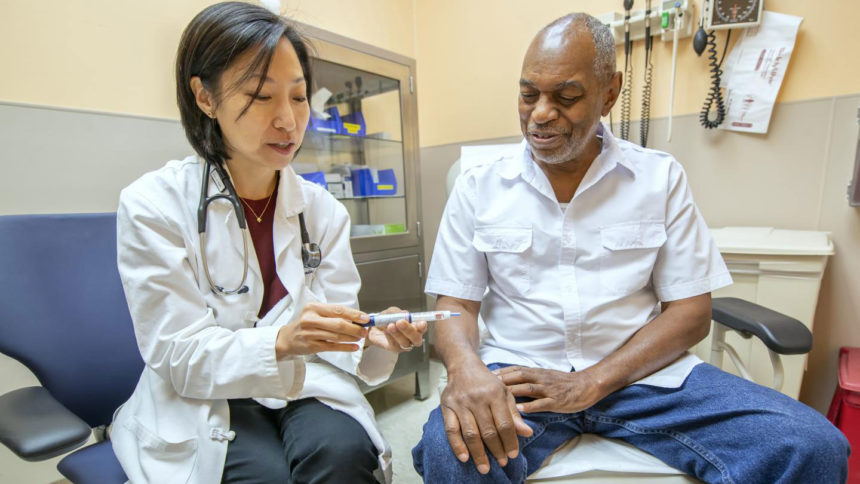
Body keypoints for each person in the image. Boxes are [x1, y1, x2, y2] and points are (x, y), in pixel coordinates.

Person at [412, 12, 849, 484]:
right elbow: (455, 304)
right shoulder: (480, 187)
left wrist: (590, 382)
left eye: (566, 96)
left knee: (812, 446)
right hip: (519, 382)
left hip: (642, 381)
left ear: (610, 92)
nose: (540, 112)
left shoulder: (658, 178)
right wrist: (465, 369)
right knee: (453, 451)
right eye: (528, 94)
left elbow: (690, 312)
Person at [109, 3, 427, 483]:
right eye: (260, 95)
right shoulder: (152, 206)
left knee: (343, 456)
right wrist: (280, 341)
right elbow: (177, 353)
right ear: (205, 97)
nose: (288, 121)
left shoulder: (323, 211)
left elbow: (338, 336)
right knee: (264, 476)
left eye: (299, 98)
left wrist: (374, 342)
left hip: (303, 383)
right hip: (204, 395)